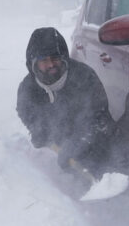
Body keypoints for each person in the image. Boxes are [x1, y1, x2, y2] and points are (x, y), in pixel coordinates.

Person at [16, 27, 115, 180]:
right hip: (58, 140)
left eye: (55, 58)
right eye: (44, 61)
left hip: (93, 139)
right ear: (34, 64)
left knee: (109, 155)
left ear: (64, 58)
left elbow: (98, 116)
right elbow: (26, 113)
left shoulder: (84, 77)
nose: (51, 65)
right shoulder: (28, 89)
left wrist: (77, 143)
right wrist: (38, 130)